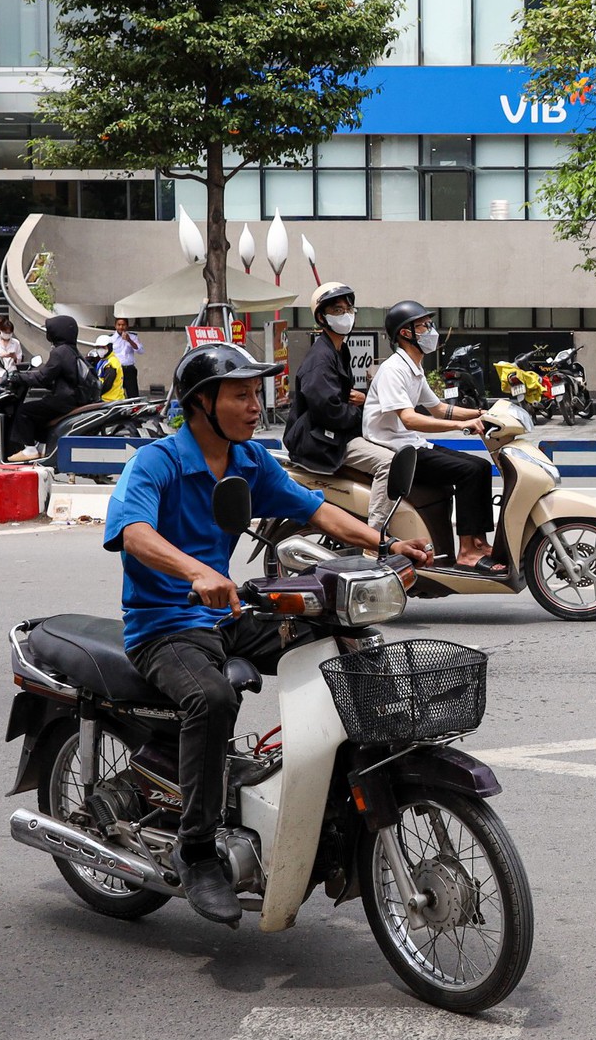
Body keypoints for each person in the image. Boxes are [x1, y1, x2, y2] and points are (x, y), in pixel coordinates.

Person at [104, 341, 432, 926]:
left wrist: (386, 544)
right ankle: (198, 849)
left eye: (257, 394)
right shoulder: (155, 462)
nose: (256, 405)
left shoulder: (249, 461)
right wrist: (198, 571)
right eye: (241, 395)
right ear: (202, 404)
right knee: (213, 697)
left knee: (332, 637)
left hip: (225, 617)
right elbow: (132, 533)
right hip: (165, 626)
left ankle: (336, 779)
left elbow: (315, 510)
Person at [361, 299, 500, 571]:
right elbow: (410, 418)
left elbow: (438, 409)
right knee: (468, 472)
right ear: (405, 333)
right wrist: (462, 426)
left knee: (481, 466)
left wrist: (481, 414)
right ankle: (467, 552)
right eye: (423, 326)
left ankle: (478, 542)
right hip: (397, 451)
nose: (430, 331)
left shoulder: (414, 367)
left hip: (413, 445)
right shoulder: (393, 369)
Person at [284, 282, 394, 499]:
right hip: (322, 441)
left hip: (335, 435)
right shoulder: (320, 359)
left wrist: (362, 400)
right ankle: (375, 531)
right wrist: (361, 413)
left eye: (349, 309)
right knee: (390, 464)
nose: (346, 315)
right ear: (321, 318)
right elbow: (329, 411)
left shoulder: (340, 350)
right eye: (337, 310)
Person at [8, 314, 92, 462]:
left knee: (25, 411)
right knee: (41, 411)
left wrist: (18, 377)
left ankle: (30, 449)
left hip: (64, 400)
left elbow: (43, 377)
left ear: (57, 332)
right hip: (73, 398)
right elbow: (54, 377)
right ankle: (43, 446)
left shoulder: (59, 352)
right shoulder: (71, 350)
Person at [111, 317, 143, 399]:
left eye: (123, 325)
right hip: (115, 370)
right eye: (119, 325)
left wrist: (129, 340)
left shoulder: (133, 337)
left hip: (128, 369)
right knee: (116, 393)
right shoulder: (111, 338)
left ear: (127, 326)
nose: (121, 327)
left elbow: (140, 351)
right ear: (115, 326)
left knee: (133, 395)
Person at [0, 316, 23, 381]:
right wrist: (2, 356)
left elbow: (18, 360)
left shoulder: (16, 343)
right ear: (0, 330)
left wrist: (14, 357)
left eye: (9, 333)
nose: (8, 334)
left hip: (11, 373)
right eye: (6, 332)